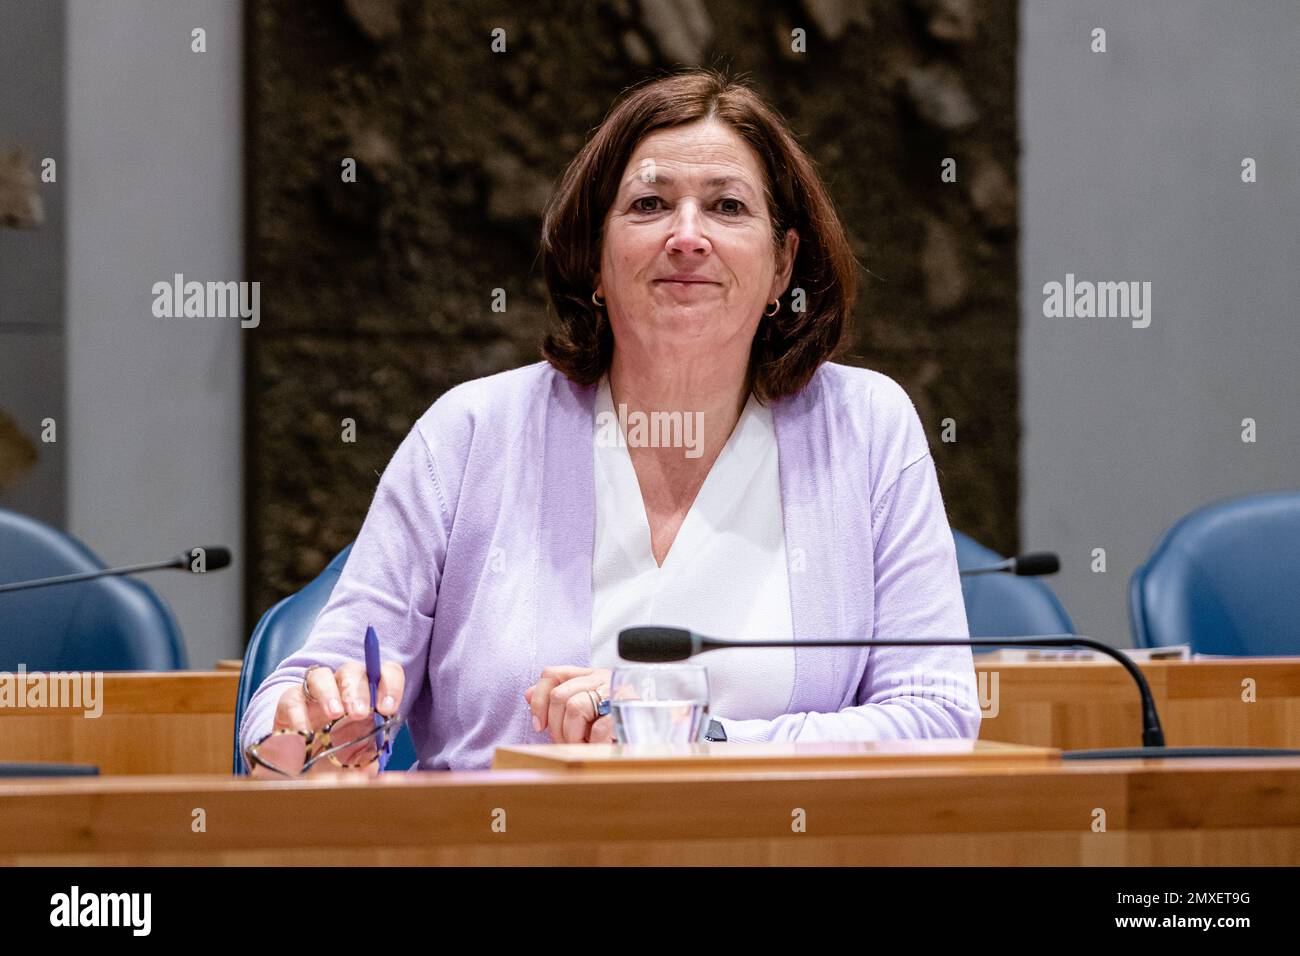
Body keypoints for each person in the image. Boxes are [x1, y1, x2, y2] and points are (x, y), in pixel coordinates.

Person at [239, 68, 980, 774]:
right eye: (649, 205)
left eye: (727, 207)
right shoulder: (469, 435)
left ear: (783, 265)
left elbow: (938, 715)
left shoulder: (866, 428)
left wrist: (691, 739)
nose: (687, 236)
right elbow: (304, 692)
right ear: (594, 257)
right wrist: (302, 732)